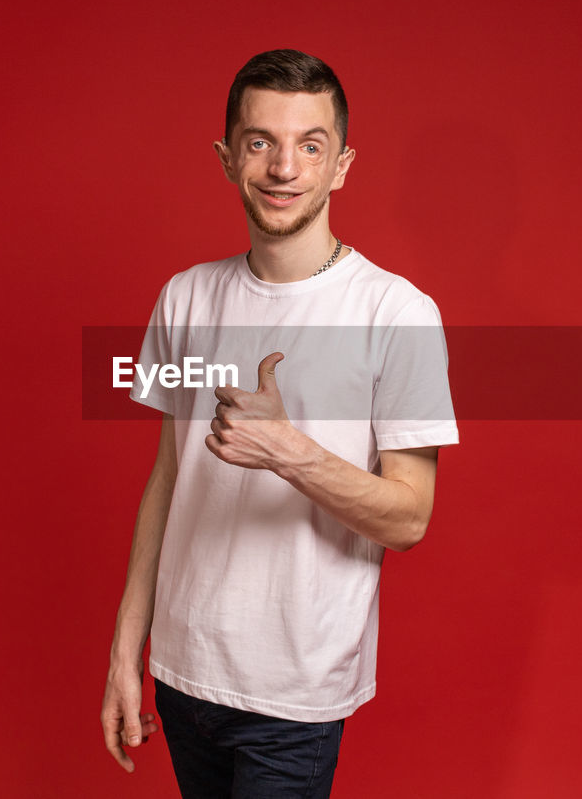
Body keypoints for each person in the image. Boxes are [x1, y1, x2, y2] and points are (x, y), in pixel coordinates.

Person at [99, 49, 458, 798]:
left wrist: (291, 451)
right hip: (184, 674)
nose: (284, 167)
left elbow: (411, 517)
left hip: (291, 694)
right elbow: (167, 477)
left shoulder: (398, 315)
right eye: (261, 142)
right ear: (228, 159)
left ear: (342, 165)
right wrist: (125, 648)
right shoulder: (185, 298)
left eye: (311, 144)